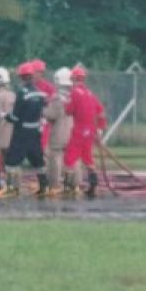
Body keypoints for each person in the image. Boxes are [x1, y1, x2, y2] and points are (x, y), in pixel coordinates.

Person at [0, 61, 48, 198]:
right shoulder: (40, 93)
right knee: (38, 161)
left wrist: (6, 117)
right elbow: (42, 112)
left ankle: (11, 188)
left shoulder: (22, 93)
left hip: (21, 132)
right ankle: (44, 187)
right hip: (35, 131)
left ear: (22, 77)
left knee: (11, 161)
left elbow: (16, 115)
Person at [64, 65, 107, 198]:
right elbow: (101, 112)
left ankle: (69, 187)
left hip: (79, 131)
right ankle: (93, 186)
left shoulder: (74, 93)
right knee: (88, 159)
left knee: (69, 159)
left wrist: (65, 103)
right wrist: (100, 128)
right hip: (91, 132)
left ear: (73, 79)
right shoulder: (90, 93)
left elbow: (68, 111)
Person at [43, 67, 75, 197]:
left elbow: (50, 115)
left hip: (59, 132)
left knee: (55, 157)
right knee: (73, 160)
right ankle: (73, 185)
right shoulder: (75, 95)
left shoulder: (56, 99)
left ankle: (55, 185)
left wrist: (43, 109)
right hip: (72, 131)